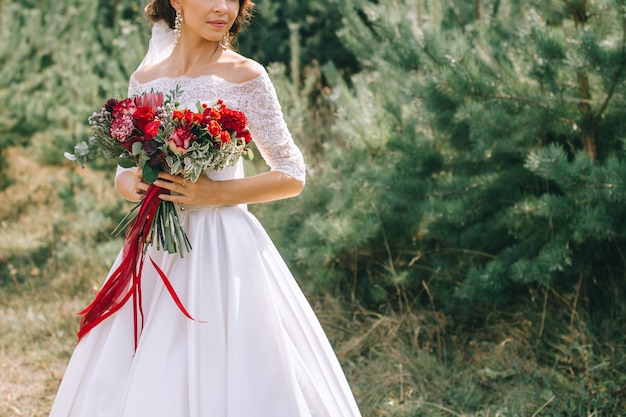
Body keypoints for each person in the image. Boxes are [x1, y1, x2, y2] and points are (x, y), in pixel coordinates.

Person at [48, 0, 363, 416]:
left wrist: (214, 195)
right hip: (157, 247)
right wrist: (134, 183)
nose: (222, 8)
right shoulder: (145, 80)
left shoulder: (245, 76)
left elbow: (292, 174)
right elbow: (124, 171)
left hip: (224, 251)